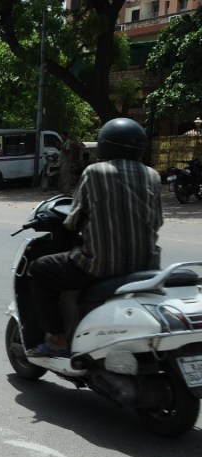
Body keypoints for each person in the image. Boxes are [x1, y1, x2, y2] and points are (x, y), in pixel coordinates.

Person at [27, 117, 163, 357]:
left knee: (38, 269)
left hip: (98, 266)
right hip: (147, 267)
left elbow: (73, 221)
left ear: (105, 144)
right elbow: (157, 221)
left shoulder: (96, 172)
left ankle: (57, 338)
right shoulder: (152, 175)